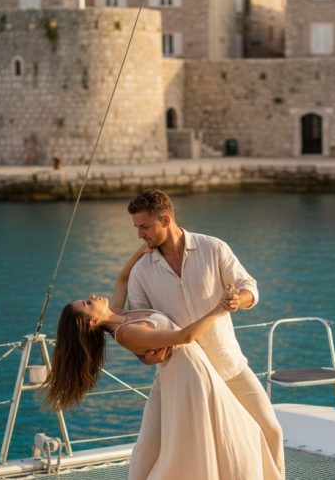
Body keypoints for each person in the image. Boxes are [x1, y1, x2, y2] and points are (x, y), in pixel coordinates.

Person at [43, 246, 281, 480]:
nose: (92, 297)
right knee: (234, 434)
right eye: (87, 303)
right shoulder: (126, 332)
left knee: (204, 439)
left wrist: (142, 251)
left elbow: (123, 279)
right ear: (93, 322)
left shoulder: (117, 314)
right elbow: (185, 337)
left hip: (186, 370)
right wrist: (219, 308)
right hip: (191, 375)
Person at [125, 189, 285, 479]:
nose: (140, 235)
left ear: (166, 219)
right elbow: (140, 326)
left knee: (270, 429)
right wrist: (147, 356)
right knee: (150, 449)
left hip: (228, 365)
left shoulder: (213, 248)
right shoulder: (141, 272)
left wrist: (240, 299)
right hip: (178, 377)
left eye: (144, 227)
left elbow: (248, 285)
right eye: (137, 228)